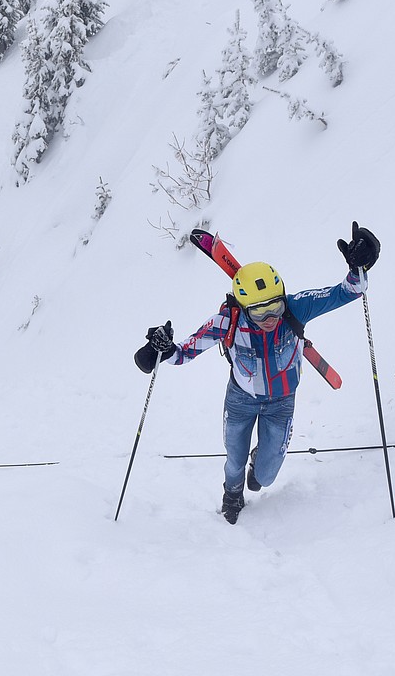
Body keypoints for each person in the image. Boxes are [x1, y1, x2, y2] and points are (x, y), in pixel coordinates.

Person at [134, 222, 381, 524]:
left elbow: (348, 292)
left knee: (266, 475)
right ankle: (232, 494)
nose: (270, 318)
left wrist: (358, 267)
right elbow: (184, 353)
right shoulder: (227, 323)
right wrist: (162, 349)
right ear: (242, 306)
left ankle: (258, 466)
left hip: (281, 403)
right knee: (233, 460)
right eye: (259, 312)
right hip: (241, 401)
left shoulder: (295, 308)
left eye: (275, 308)